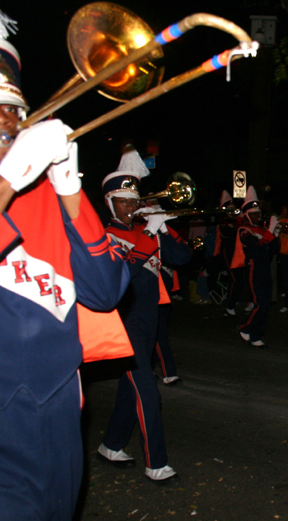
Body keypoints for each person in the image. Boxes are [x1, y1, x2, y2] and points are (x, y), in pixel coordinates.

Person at [0, 0, 129, 517]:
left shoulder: (43, 190)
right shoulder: (2, 185)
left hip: (61, 415)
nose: (4, 117)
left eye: (14, 108)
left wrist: (69, 189)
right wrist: (3, 183)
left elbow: (105, 291)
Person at [97, 147, 192, 482]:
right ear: (110, 202)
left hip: (149, 322)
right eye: (123, 200)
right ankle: (157, 463)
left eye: (134, 199)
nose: (131, 206)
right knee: (147, 391)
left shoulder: (143, 231)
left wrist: (163, 228)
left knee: (131, 389)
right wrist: (151, 234)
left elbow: (182, 259)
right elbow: (122, 274)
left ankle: (111, 445)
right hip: (124, 325)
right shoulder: (105, 236)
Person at [235, 185, 280, 347]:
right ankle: (245, 327)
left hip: (265, 268)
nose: (257, 217)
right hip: (253, 268)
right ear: (247, 215)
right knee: (259, 302)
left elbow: (275, 249)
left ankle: (257, 334)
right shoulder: (243, 229)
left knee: (266, 304)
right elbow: (257, 247)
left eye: (259, 214)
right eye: (254, 214)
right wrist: (270, 231)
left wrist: (274, 234)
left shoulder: (262, 229)